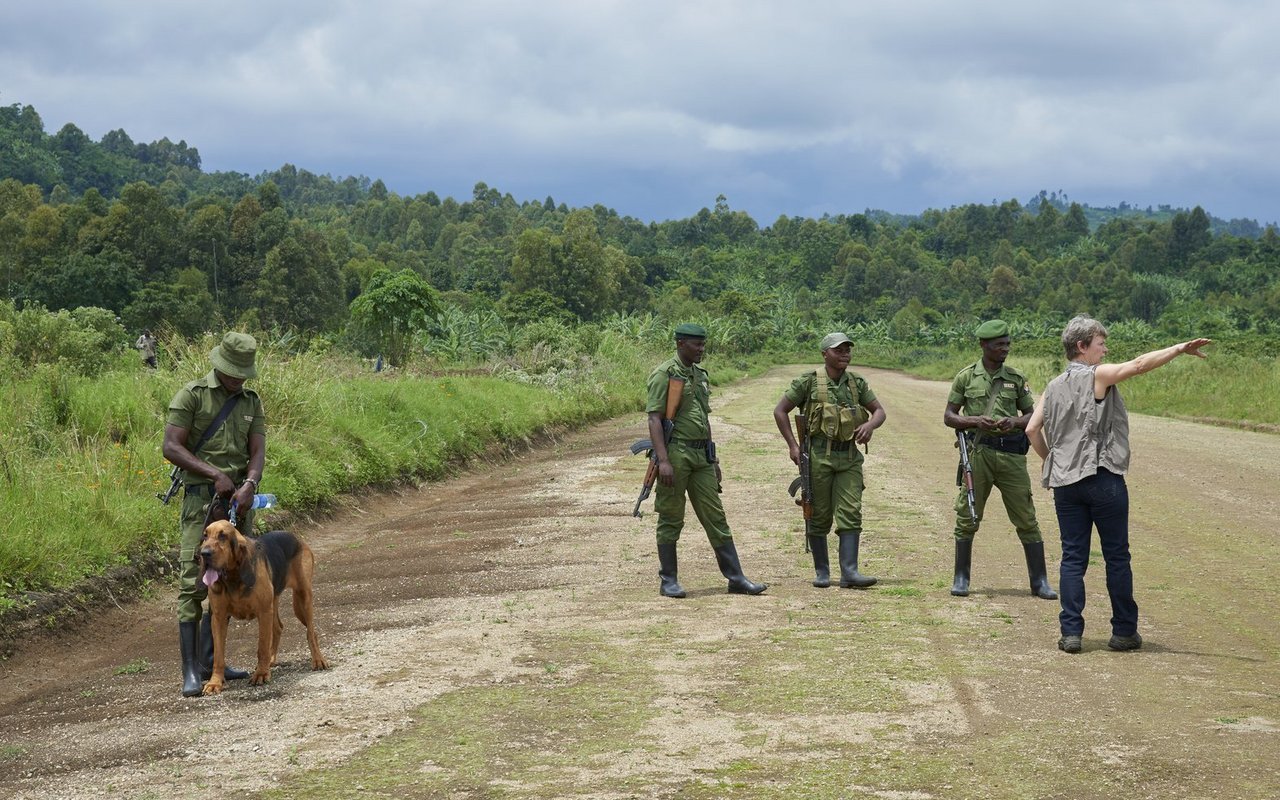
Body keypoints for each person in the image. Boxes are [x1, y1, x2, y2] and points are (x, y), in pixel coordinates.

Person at [1026, 316, 1210, 654]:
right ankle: (1124, 632)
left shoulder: (1051, 387)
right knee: (1116, 556)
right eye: (1100, 344)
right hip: (1102, 478)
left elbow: (1031, 431)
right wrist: (1180, 348)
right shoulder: (1097, 376)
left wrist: (1053, 462)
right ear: (1081, 346)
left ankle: (1071, 634)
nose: (1105, 349)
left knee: (1072, 557)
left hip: (1066, 483)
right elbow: (1139, 365)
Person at [162, 332, 266, 696]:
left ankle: (212, 663)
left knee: (229, 578)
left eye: (243, 373)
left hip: (237, 505)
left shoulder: (251, 401)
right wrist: (214, 474)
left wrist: (249, 485)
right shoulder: (192, 396)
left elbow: (256, 453)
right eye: (233, 371)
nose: (238, 378)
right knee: (195, 581)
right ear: (219, 364)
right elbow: (171, 447)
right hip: (202, 503)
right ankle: (190, 671)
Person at [646, 323, 767, 597]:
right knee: (671, 516)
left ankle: (736, 578)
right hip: (676, 454)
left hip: (701, 456)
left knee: (716, 515)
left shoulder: (700, 375)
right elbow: (654, 418)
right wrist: (663, 460)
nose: (702, 349)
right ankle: (669, 581)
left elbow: (704, 416)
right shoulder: (664, 374)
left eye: (703, 344)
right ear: (680, 343)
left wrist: (713, 458)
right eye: (696, 344)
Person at [943, 319, 1056, 600]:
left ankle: (1039, 581)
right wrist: (972, 421)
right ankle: (961, 578)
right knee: (968, 516)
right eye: (999, 345)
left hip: (1011, 457)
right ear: (984, 345)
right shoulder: (966, 377)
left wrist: (1015, 422)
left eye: (1007, 344)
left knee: (1027, 517)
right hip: (978, 455)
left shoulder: (1016, 378)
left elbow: (1033, 415)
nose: (1005, 349)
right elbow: (949, 416)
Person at [773, 332, 886, 588]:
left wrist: (870, 425)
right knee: (818, 513)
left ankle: (850, 573)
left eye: (848, 349)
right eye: (839, 350)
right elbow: (780, 411)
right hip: (818, 457)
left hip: (849, 457)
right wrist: (793, 445)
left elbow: (879, 411)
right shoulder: (809, 382)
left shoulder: (857, 383)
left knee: (851, 512)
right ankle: (822, 572)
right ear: (825, 354)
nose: (845, 353)